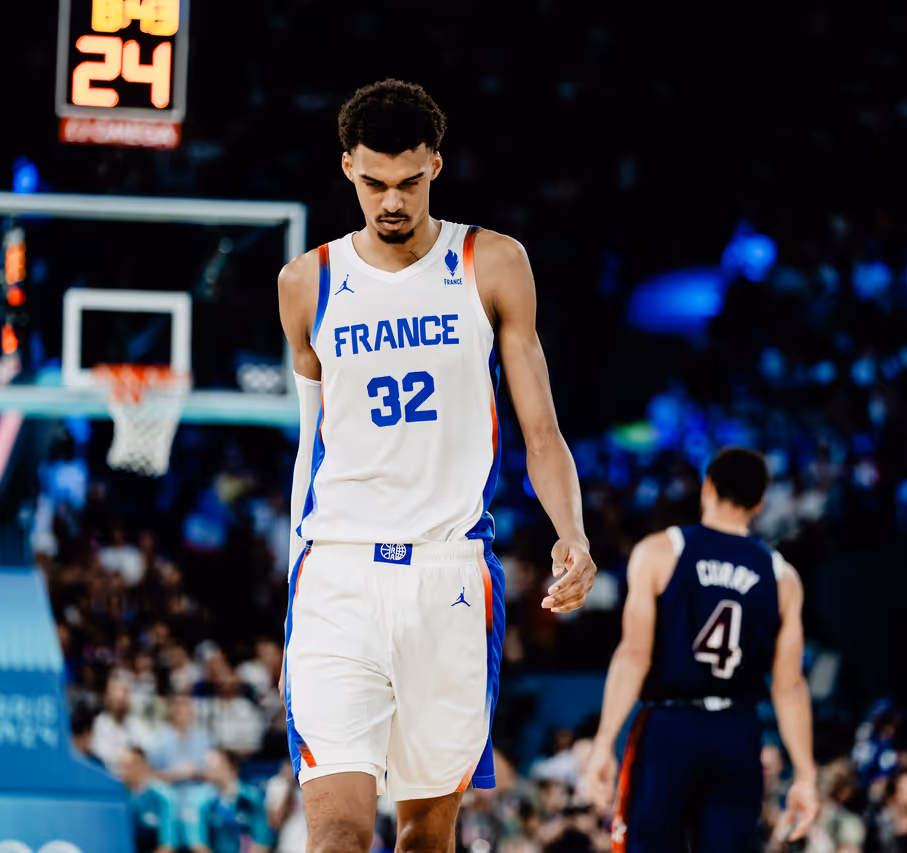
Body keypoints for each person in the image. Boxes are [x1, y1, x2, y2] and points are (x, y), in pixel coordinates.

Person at [277, 78, 597, 853]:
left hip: (449, 576)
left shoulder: (491, 262)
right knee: (339, 832)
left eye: (410, 182)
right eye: (376, 183)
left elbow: (541, 430)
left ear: (436, 168)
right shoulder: (305, 282)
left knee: (426, 835)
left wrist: (573, 532)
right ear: (348, 167)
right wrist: (295, 578)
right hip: (339, 575)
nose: (393, 201)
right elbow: (310, 442)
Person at [584, 447, 819, 851]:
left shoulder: (660, 551)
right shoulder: (783, 577)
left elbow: (633, 655)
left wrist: (604, 743)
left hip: (671, 727)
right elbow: (789, 686)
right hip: (738, 731)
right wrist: (805, 775)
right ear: (760, 502)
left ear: (707, 487)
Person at [182, 748, 274, 853]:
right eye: (206, 764)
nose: (209, 766)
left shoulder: (253, 797)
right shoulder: (197, 799)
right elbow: (197, 843)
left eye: (215, 763)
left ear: (232, 766)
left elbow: (262, 840)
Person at [117, 745, 181, 853]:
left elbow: (168, 846)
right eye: (120, 766)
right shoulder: (119, 795)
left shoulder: (164, 797)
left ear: (140, 765)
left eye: (126, 766)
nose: (121, 771)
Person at [149, 692, 213, 787]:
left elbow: (215, 775)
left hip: (201, 796)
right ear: (170, 710)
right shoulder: (158, 739)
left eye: (186, 704)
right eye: (177, 705)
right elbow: (148, 775)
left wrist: (195, 773)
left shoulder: (204, 739)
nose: (182, 709)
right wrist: (175, 774)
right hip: (168, 796)